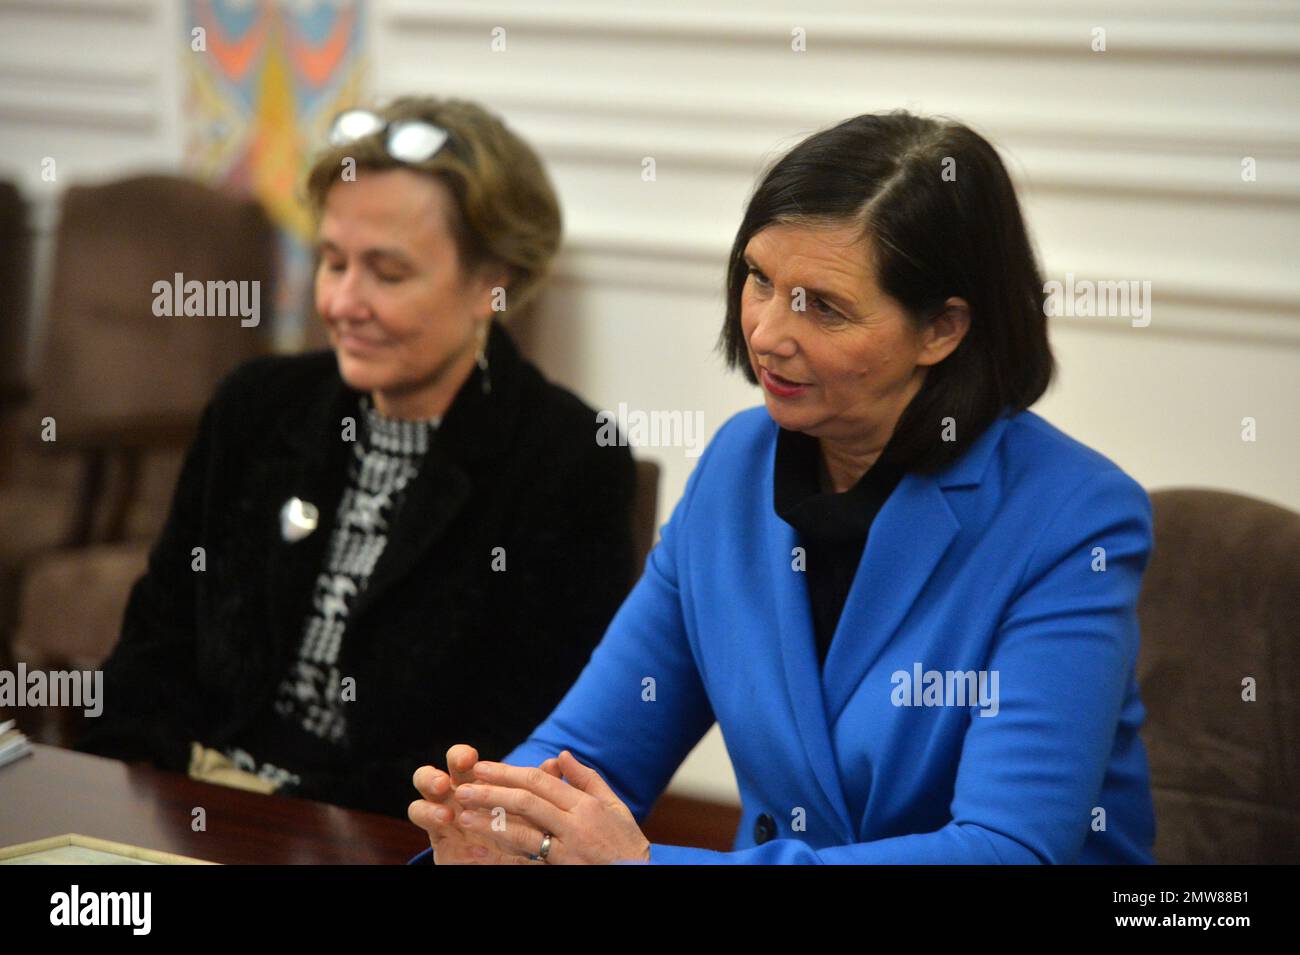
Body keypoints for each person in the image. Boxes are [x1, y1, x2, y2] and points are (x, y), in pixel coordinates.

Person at [408, 110, 1157, 863]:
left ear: (943, 329)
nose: (767, 331)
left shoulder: (1074, 517)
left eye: (823, 306)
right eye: (759, 278)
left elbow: (1008, 850)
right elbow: (590, 750)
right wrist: (491, 824)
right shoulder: (738, 464)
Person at [77, 97, 637, 819]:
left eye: (388, 272)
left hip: (382, 836)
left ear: (490, 284)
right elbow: (153, 647)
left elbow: (518, 747)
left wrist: (296, 823)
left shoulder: (567, 463)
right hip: (188, 808)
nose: (343, 301)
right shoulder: (256, 408)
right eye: (332, 261)